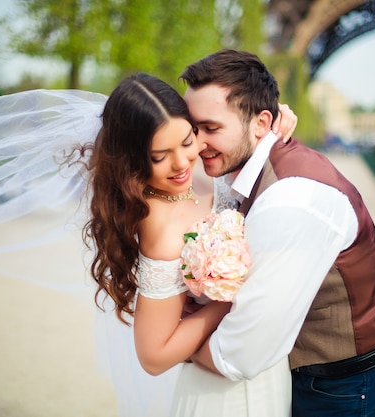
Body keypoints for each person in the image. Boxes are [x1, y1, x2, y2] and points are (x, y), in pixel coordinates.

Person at [179, 49, 375, 417]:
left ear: (261, 124)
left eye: (211, 128)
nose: (197, 143)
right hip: (330, 385)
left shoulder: (290, 200)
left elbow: (241, 353)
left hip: (352, 393)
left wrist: (172, 342)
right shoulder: (249, 167)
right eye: (192, 129)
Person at [74, 72, 293, 416]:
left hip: (267, 369)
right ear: (131, 159)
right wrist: (231, 298)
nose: (181, 163)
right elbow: (154, 355)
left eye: (187, 141)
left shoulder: (204, 168)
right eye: (159, 156)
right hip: (220, 391)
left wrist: (272, 126)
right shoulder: (161, 230)